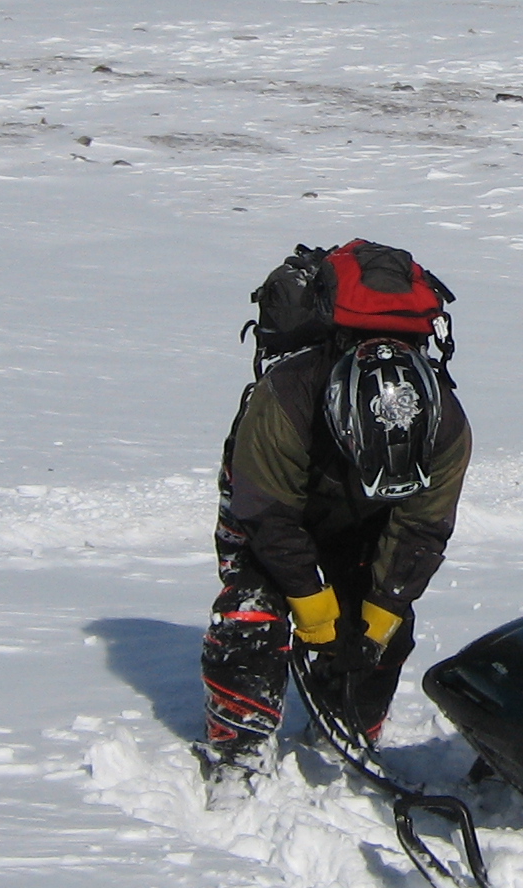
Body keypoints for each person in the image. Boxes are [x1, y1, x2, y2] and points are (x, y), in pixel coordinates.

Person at [200, 265, 470, 782]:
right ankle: (237, 752)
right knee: (251, 617)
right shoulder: (283, 401)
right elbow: (266, 515)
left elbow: (422, 528)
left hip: (365, 520)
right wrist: (311, 606)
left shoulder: (447, 426)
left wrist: (380, 612)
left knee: (381, 630)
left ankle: (349, 730)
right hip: (270, 506)